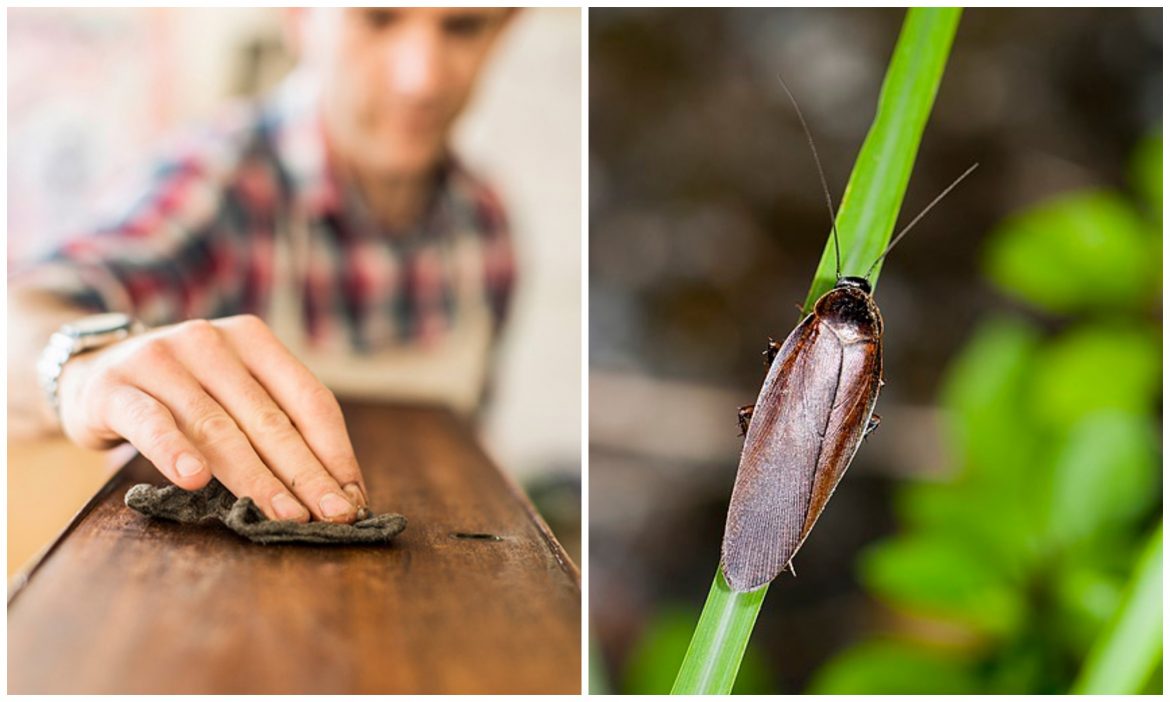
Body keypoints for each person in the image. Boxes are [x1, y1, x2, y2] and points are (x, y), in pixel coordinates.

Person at [8, 8, 518, 525]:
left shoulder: (489, 223)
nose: (421, 79)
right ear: (299, 18)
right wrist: (77, 370)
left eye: (463, 27)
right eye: (378, 19)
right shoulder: (216, 182)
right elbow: (21, 311)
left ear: (507, 28)